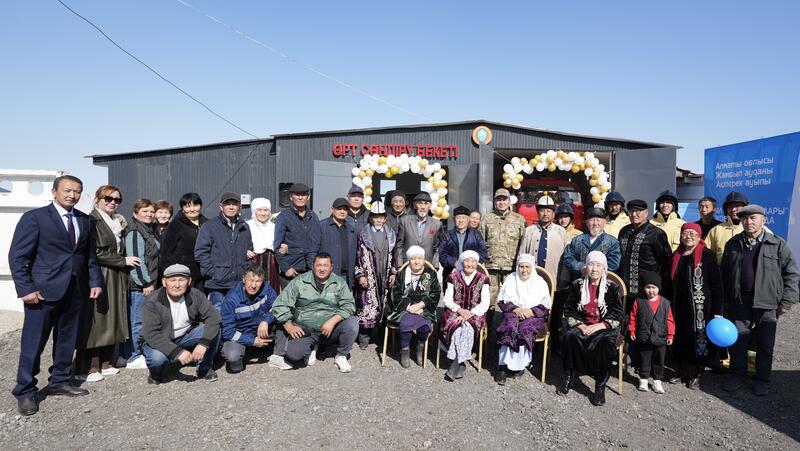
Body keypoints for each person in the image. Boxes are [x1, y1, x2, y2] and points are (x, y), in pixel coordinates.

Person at [8, 175, 103, 416]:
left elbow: (89, 256)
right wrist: (26, 289)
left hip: (75, 290)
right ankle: (25, 389)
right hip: (42, 292)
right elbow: (18, 257)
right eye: (68, 190)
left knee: (66, 339)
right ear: (54, 192)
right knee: (33, 343)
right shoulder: (35, 218)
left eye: (77, 191)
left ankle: (59, 380)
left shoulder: (84, 220)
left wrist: (95, 281)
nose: (72, 195)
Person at [721, 205, 799, 396]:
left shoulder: (777, 244)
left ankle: (762, 379)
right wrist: (724, 301)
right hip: (740, 302)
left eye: (753, 218)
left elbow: (791, 274)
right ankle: (736, 375)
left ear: (763, 220)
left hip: (767, 302)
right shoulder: (733, 244)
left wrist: (787, 302)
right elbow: (724, 275)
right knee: (738, 341)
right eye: (745, 218)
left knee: (765, 344)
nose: (748, 221)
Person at [75, 185, 134, 382]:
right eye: (107, 198)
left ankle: (106, 361)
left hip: (115, 275)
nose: (112, 202)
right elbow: (95, 251)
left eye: (117, 200)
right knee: (96, 319)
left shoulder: (116, 221)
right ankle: (89, 366)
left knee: (113, 317)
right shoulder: (92, 220)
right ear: (98, 199)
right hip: (99, 274)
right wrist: (121, 261)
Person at [269, 253, 358, 373]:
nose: (322, 269)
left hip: (330, 330)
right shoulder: (300, 281)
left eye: (325, 265)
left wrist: (332, 321)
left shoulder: (339, 283)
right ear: (313, 266)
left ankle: (341, 355)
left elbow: (349, 305)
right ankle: (311, 347)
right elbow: (280, 305)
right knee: (294, 355)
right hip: (305, 328)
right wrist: (289, 326)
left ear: (331, 267)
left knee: (352, 322)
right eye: (319, 265)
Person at [558, 251, 624, 406]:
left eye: (598, 265)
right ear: (586, 266)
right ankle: (569, 376)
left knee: (605, 342)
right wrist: (580, 325)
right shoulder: (577, 285)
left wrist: (600, 325)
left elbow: (618, 313)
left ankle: (599, 386)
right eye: (591, 264)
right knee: (571, 336)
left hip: (604, 327)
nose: (594, 269)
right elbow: (568, 309)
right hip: (582, 324)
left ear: (604, 269)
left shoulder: (612, 287)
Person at [140, 264, 221, 384]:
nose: (177, 285)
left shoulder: (196, 295)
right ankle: (156, 374)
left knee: (213, 330)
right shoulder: (152, 301)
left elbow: (214, 318)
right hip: (160, 339)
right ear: (164, 282)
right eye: (172, 280)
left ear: (189, 281)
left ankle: (204, 368)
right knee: (157, 359)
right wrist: (177, 352)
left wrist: (204, 343)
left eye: (181, 280)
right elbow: (151, 334)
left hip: (185, 336)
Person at [668, 222, 723, 389]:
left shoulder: (708, 255)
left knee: (699, 338)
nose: (689, 236)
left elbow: (717, 285)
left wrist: (718, 310)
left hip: (701, 307)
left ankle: (695, 373)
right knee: (680, 338)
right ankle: (681, 371)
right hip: (679, 305)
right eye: (685, 233)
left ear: (699, 236)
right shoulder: (675, 255)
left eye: (693, 233)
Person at [494, 254, 551, 385]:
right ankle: (503, 367)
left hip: (533, 315)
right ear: (517, 267)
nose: (524, 270)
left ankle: (520, 365)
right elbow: (502, 300)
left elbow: (546, 306)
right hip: (513, 312)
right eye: (521, 267)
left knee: (525, 329)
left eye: (527, 267)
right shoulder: (511, 279)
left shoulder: (540, 282)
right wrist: (516, 309)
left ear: (532, 268)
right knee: (510, 326)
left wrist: (530, 311)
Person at [194, 192, 254, 312]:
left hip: (238, 281)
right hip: (218, 283)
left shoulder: (244, 226)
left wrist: (246, 268)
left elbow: (249, 249)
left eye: (234, 204)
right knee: (217, 314)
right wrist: (214, 273)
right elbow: (201, 252)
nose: (231, 207)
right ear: (221, 207)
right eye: (227, 204)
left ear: (239, 207)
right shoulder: (210, 226)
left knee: (238, 313)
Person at [122, 198, 161, 370]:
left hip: (148, 284)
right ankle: (132, 356)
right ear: (135, 213)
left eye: (151, 211)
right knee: (137, 321)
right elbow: (136, 262)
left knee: (143, 320)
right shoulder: (135, 232)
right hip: (139, 286)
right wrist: (145, 283)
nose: (149, 214)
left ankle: (135, 353)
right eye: (145, 211)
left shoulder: (149, 231)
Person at [439, 250, 491, 380]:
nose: (470, 264)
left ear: (477, 263)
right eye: (467, 261)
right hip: (455, 311)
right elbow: (447, 300)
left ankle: (456, 363)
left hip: (476, 312)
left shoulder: (483, 279)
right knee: (457, 328)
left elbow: (485, 303)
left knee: (467, 328)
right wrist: (460, 310)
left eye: (473, 261)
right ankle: (460, 363)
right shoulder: (453, 277)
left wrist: (470, 313)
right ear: (462, 262)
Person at [388, 246, 441, 368]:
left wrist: (420, 305)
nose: (416, 261)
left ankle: (420, 348)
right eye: (413, 259)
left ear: (424, 260)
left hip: (424, 308)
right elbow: (395, 294)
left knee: (424, 327)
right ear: (409, 260)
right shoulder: (402, 274)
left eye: (420, 258)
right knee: (405, 324)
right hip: (405, 309)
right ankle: (405, 350)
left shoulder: (431, 274)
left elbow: (436, 293)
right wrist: (408, 307)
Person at [354, 202, 397, 349]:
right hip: (369, 273)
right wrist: (361, 275)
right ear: (371, 218)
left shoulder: (391, 233)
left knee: (384, 303)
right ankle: (364, 337)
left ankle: (379, 335)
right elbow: (358, 255)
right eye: (376, 217)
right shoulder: (363, 233)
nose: (378, 220)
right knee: (367, 304)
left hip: (384, 273)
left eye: (381, 218)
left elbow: (395, 255)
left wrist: (393, 272)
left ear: (385, 218)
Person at [221, 266, 277, 373]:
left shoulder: (267, 289)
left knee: (285, 321)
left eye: (258, 281)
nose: (254, 285)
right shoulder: (231, 300)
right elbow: (228, 332)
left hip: (262, 329)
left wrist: (266, 321)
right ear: (243, 279)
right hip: (242, 334)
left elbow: (277, 307)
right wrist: (252, 341)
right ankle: (242, 355)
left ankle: (277, 351)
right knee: (233, 355)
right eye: (251, 280)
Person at [628, 271, 675, 394]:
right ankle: (643, 379)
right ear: (644, 288)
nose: (651, 290)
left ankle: (657, 381)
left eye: (654, 287)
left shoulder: (665, 303)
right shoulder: (639, 301)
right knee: (644, 358)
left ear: (658, 288)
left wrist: (670, 335)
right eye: (648, 287)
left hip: (660, 337)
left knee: (659, 359)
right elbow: (633, 317)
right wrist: (632, 330)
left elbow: (670, 320)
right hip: (644, 336)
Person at [481, 188, 527, 310]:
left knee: (510, 298)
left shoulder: (519, 219)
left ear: (509, 201)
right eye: (499, 200)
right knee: (488, 298)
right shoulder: (486, 219)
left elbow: (524, 242)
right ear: (495, 202)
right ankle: (488, 327)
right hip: (491, 266)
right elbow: (480, 241)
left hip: (510, 266)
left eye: (504, 199)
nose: (501, 202)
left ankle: (507, 326)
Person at [617, 200, 672, 297]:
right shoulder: (624, 231)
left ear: (646, 213)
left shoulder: (656, 233)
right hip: (624, 288)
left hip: (647, 289)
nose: (634, 214)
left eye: (638, 211)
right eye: (631, 211)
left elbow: (665, 262)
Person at [273, 183, 321, 289]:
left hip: (310, 271)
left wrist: (314, 267)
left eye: (303, 195)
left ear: (308, 197)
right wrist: (286, 268)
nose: (300, 197)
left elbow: (316, 244)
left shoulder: (313, 217)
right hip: (292, 271)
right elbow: (277, 247)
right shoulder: (284, 217)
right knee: (291, 303)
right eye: (297, 195)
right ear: (291, 197)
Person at [159, 192, 207, 290]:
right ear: (182, 208)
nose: (192, 209)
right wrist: (170, 272)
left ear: (200, 206)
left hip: (202, 274)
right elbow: (166, 250)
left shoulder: (207, 223)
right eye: (188, 206)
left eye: (195, 205)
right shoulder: (176, 224)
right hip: (182, 274)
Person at [561, 207, 621, 284]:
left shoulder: (613, 242)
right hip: (579, 281)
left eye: (598, 220)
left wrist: (594, 270)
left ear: (604, 222)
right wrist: (582, 268)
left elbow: (613, 263)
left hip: (602, 283)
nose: (595, 223)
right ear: (586, 222)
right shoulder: (577, 240)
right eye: (592, 220)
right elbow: (568, 258)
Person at [520, 195, 569, 282]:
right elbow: (522, 255)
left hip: (554, 277)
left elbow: (567, 257)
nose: (545, 214)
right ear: (538, 213)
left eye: (548, 211)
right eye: (542, 211)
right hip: (531, 278)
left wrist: (564, 278)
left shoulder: (561, 232)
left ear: (553, 214)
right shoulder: (529, 231)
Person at [439, 205, 488, 281]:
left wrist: (471, 263)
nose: (461, 220)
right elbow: (442, 255)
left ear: (468, 220)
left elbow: (484, 253)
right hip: (450, 274)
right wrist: (455, 262)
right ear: (453, 219)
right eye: (458, 218)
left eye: (464, 218)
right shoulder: (447, 235)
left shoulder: (476, 234)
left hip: (472, 274)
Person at [395, 192, 443, 268]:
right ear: (414, 205)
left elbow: (436, 247)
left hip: (427, 265)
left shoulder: (436, 224)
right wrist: (399, 265)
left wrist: (435, 266)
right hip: (407, 264)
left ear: (430, 206)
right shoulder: (404, 221)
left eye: (426, 204)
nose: (423, 207)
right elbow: (399, 245)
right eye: (420, 203)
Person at [319, 197, 357, 288]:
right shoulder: (321, 226)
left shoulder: (351, 230)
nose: (342, 211)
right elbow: (313, 251)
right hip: (326, 276)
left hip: (345, 276)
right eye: (339, 209)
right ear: (332, 210)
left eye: (345, 209)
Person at [246, 197, 280, 292]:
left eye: (266, 210)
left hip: (271, 264)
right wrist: (245, 251)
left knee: (271, 290)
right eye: (259, 210)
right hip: (253, 263)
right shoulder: (247, 226)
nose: (263, 213)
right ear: (254, 211)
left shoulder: (275, 227)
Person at [706, 191, 750, 263]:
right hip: (721, 272)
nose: (733, 209)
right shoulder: (716, 230)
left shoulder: (756, 229)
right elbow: (706, 255)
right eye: (730, 207)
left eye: (737, 206)